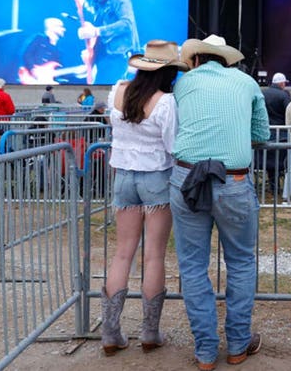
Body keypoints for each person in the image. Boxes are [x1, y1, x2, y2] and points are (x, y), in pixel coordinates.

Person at [169, 34, 269, 370]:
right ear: (228, 59)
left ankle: (205, 351)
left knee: (193, 265)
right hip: (234, 179)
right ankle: (238, 345)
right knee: (240, 262)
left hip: (187, 177)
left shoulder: (184, 85)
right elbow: (263, 135)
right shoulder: (247, 83)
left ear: (196, 59)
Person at [100, 40, 189, 356]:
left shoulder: (119, 92)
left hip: (122, 176)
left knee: (122, 254)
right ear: (167, 73)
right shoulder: (165, 102)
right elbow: (172, 145)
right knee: (153, 255)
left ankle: (110, 332)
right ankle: (150, 332)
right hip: (156, 178)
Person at [74, 0, 140, 85]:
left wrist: (95, 31)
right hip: (104, 62)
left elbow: (127, 24)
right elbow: (100, 35)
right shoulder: (99, 8)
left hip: (118, 58)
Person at [263, 72, 291, 194]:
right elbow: (289, 111)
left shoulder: (263, 93)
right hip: (281, 132)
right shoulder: (283, 95)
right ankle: (284, 186)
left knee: (268, 159)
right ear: (281, 83)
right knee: (281, 160)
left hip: (266, 130)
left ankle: (273, 185)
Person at [19, 17, 67, 85]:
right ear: (52, 27)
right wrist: (33, 70)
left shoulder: (59, 49)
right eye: (61, 27)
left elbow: (57, 69)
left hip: (47, 81)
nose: (64, 29)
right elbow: (26, 54)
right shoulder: (38, 38)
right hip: (32, 78)